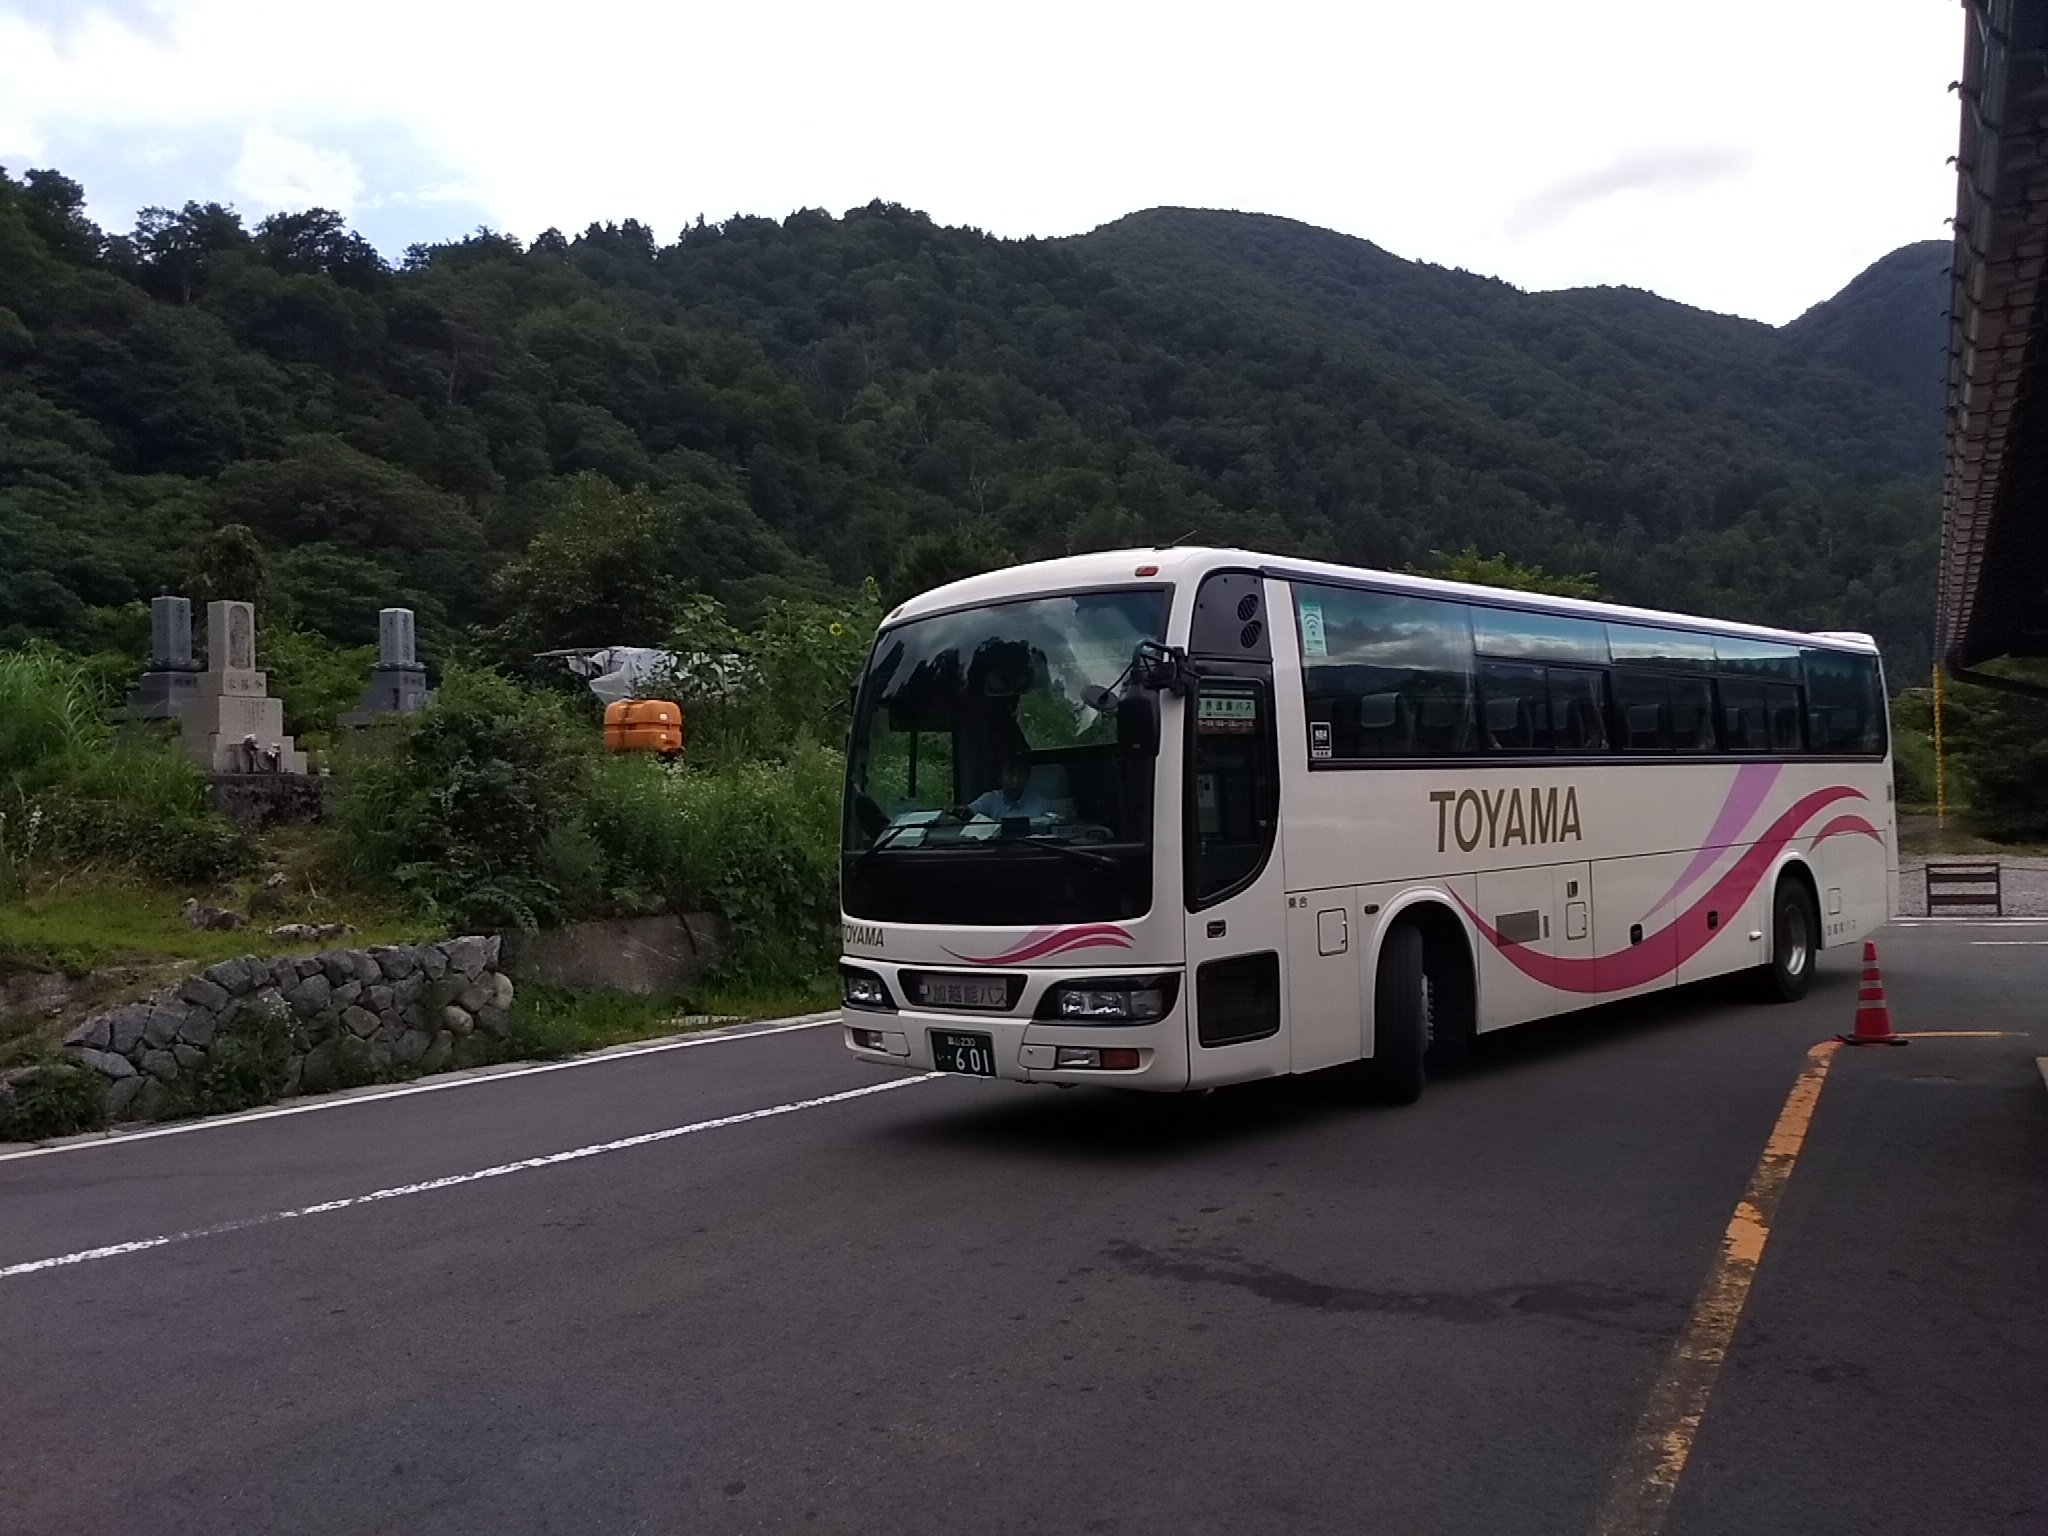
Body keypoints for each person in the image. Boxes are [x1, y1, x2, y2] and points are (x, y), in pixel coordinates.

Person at [963, 756, 1051, 822]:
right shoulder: (989, 799)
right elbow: (968, 813)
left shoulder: (1041, 804)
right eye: (1010, 775)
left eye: (1020, 775)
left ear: (1027, 778)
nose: (1016, 781)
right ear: (1000, 778)